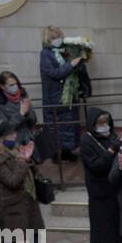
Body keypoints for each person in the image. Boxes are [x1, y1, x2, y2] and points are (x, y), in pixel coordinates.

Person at [0, 127, 53, 243]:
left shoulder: (18, 149)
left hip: (29, 196)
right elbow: (12, 181)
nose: (14, 136)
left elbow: (31, 171)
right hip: (13, 202)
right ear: (0, 138)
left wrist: (30, 158)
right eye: (10, 134)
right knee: (11, 236)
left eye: (14, 133)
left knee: (35, 232)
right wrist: (22, 161)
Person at [79, 107, 122, 243]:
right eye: (101, 123)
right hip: (98, 188)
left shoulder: (111, 135)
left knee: (115, 218)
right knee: (100, 220)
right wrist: (111, 151)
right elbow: (95, 166)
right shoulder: (87, 140)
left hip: (113, 186)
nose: (104, 126)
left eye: (106, 122)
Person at [38, 26, 85, 160]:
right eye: (53, 38)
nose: (57, 39)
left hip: (67, 96)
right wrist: (71, 65)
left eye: (58, 36)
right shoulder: (45, 54)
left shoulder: (64, 50)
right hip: (55, 97)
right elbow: (54, 73)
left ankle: (68, 151)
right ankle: (57, 154)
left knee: (69, 126)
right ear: (47, 39)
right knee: (57, 127)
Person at [0, 71, 38, 146]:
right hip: (13, 141)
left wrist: (28, 112)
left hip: (29, 136)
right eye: (11, 85)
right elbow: (5, 129)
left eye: (16, 84)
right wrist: (20, 114)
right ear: (2, 86)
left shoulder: (23, 94)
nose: (15, 87)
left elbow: (33, 121)